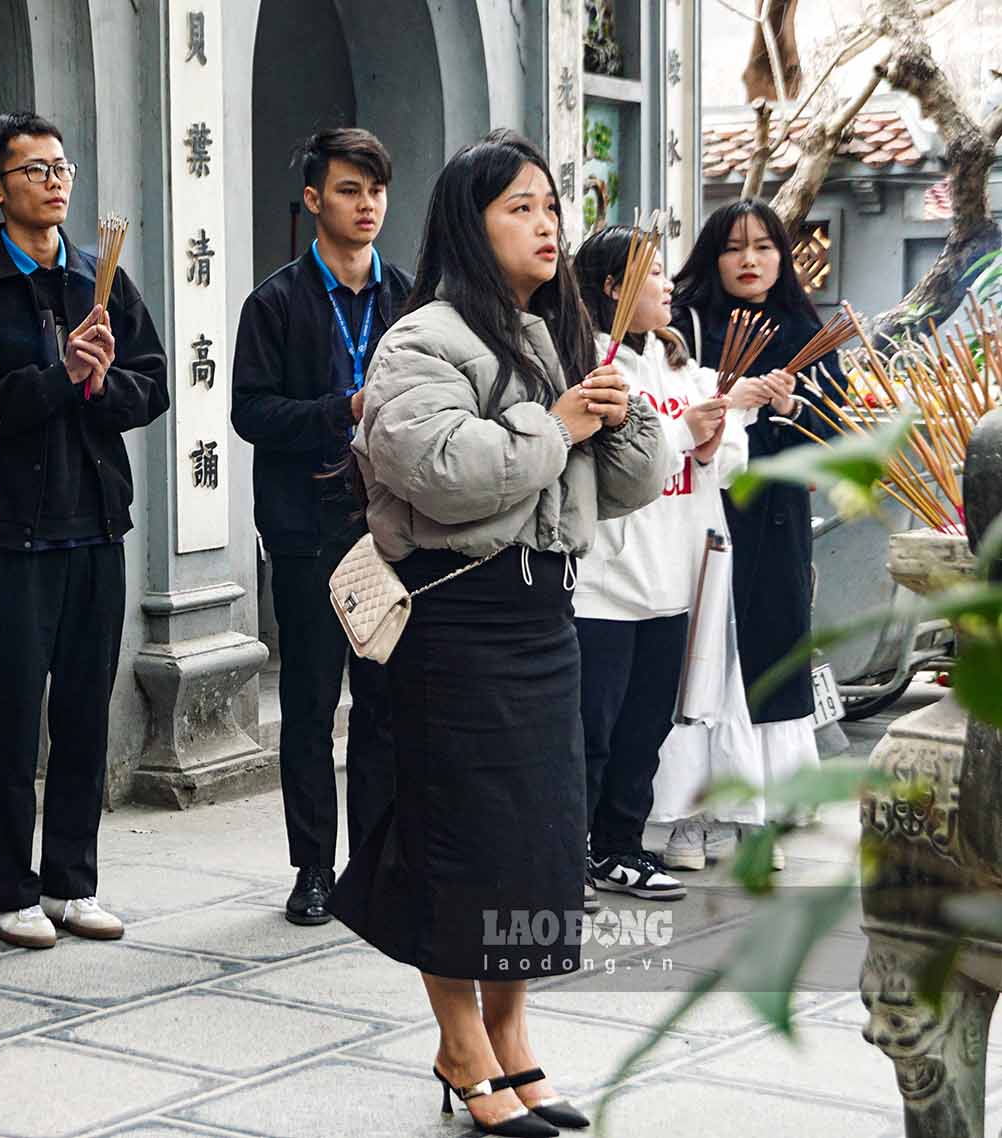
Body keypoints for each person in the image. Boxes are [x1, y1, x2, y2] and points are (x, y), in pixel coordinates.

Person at [330, 130, 664, 1136]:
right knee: (455, 840)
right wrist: (554, 425)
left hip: (539, 619)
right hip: (452, 620)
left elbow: (629, 487)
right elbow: (435, 464)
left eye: (549, 206)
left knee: (536, 843)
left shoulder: (556, 336)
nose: (545, 223)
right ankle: (459, 1041)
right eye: (519, 206)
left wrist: (621, 416)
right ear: (469, 226)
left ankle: (512, 1038)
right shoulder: (423, 337)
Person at [0, 111, 170, 949]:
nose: (54, 182)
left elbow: (152, 386)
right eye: (34, 170)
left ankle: (71, 883)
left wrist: (97, 387)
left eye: (62, 167)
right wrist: (58, 378)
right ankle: (9, 890)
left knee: (86, 710)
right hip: (13, 527)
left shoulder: (100, 275)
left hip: (95, 521)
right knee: (12, 715)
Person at [232, 127, 412, 926]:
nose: (366, 205)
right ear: (312, 200)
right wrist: (340, 409)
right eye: (348, 189)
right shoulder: (275, 302)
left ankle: (374, 863)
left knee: (383, 701)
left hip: (392, 533)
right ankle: (313, 869)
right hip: (308, 532)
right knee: (309, 705)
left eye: (374, 190)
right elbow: (251, 413)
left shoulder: (409, 298)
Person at [571, 225, 751, 905]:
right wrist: (682, 433)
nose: (670, 286)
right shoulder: (591, 361)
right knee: (590, 733)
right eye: (654, 276)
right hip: (604, 585)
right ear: (613, 289)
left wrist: (706, 442)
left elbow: (724, 460)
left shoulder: (675, 360)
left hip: (671, 582)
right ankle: (568, 855)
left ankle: (620, 848)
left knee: (644, 732)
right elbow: (617, 459)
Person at [667, 199, 837, 872]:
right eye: (734, 248)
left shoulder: (804, 326)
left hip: (778, 514)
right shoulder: (688, 328)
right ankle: (691, 809)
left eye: (764, 247)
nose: (749, 261)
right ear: (712, 257)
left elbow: (836, 436)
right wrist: (729, 397)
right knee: (700, 654)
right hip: (705, 510)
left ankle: (762, 807)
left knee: (770, 646)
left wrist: (793, 404)